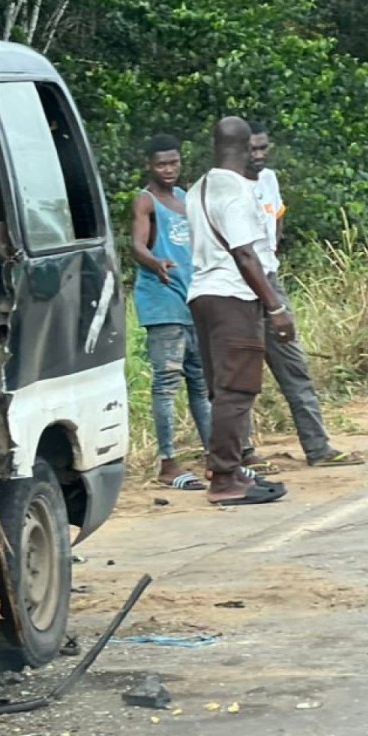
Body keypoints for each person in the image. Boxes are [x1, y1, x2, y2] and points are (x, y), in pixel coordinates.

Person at [241, 125, 363, 468]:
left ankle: (318, 447)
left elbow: (277, 218)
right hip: (235, 287)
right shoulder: (224, 187)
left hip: (269, 278)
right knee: (241, 376)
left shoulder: (269, 180)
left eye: (263, 147)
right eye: (252, 149)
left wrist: (272, 253)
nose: (259, 154)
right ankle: (243, 454)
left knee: (294, 367)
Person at [184, 117, 291, 506]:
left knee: (221, 390)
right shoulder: (236, 192)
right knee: (237, 390)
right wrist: (275, 307)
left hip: (202, 295)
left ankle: (226, 469)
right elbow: (245, 254)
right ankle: (226, 478)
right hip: (233, 296)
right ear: (247, 148)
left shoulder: (198, 188)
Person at [131, 135, 212, 489]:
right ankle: (168, 462)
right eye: (162, 164)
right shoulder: (145, 201)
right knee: (166, 384)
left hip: (190, 299)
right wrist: (154, 261)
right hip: (162, 303)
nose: (169, 169)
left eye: (174, 163)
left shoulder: (184, 198)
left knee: (201, 382)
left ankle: (215, 456)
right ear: (150, 165)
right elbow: (136, 244)